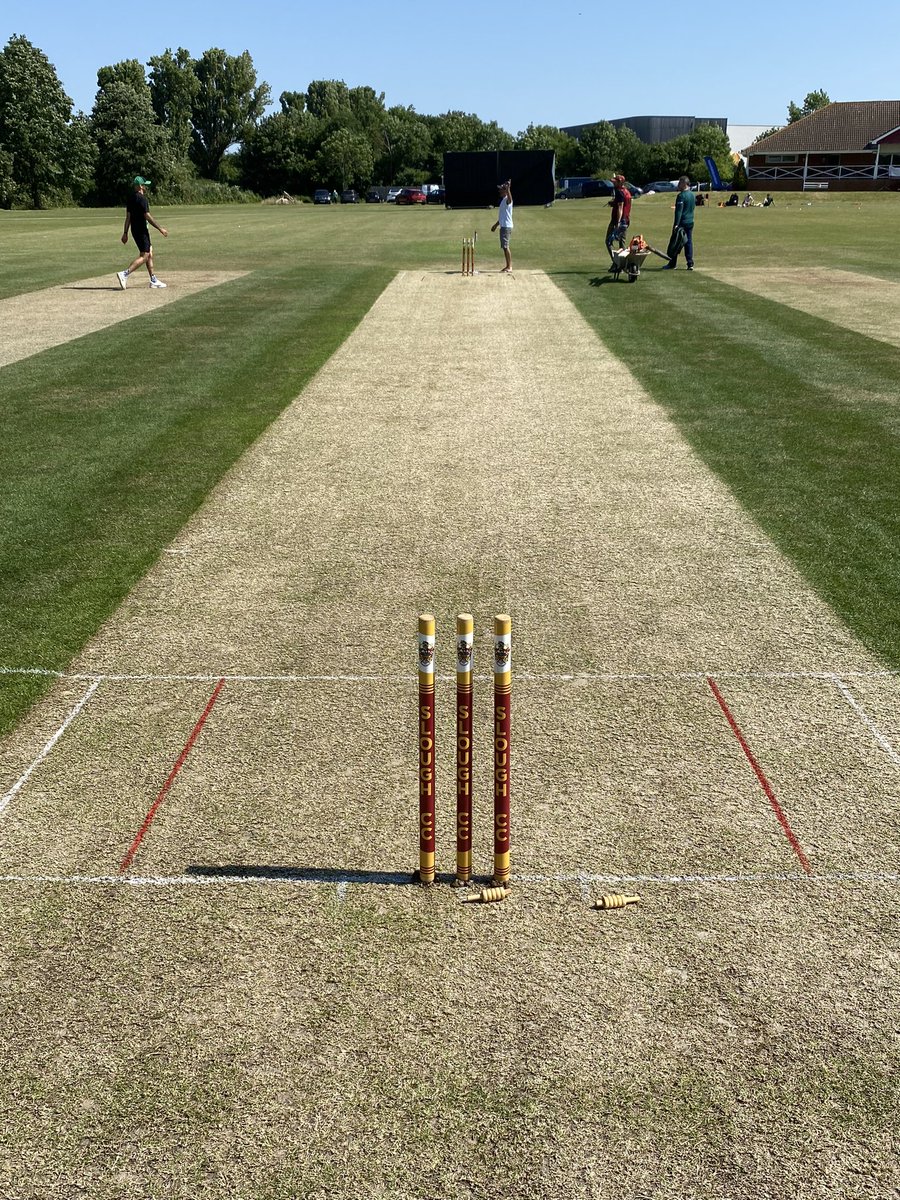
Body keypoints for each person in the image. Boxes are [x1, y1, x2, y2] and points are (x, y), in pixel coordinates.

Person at [116, 176, 168, 289]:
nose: (146, 187)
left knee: (149, 252)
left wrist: (125, 233)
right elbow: (147, 216)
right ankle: (124, 274)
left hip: (135, 230)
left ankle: (153, 280)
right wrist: (160, 229)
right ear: (140, 186)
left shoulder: (131, 198)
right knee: (145, 255)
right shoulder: (142, 199)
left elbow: (128, 217)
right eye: (144, 185)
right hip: (142, 230)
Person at [662, 176, 695, 271]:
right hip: (690, 221)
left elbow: (679, 211)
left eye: (680, 183)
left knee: (676, 243)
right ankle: (690, 263)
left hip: (682, 222)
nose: (678, 185)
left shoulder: (681, 196)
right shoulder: (692, 195)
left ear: (684, 184)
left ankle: (672, 264)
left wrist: (676, 224)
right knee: (688, 242)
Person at [605, 174, 632, 265]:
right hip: (626, 220)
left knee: (608, 241)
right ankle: (623, 264)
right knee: (622, 243)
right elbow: (624, 205)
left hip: (618, 221)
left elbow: (620, 207)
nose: (613, 183)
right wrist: (613, 203)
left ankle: (616, 263)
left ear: (620, 182)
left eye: (615, 182)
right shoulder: (626, 191)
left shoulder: (619, 192)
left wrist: (618, 222)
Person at [491, 179, 514, 272]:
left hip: (506, 226)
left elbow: (510, 199)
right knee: (504, 247)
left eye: (501, 189)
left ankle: (509, 266)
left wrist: (508, 189)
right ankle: (508, 266)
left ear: (505, 191)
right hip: (503, 226)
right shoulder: (503, 201)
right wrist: (496, 225)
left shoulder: (507, 200)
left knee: (505, 246)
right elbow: (502, 217)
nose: (499, 191)